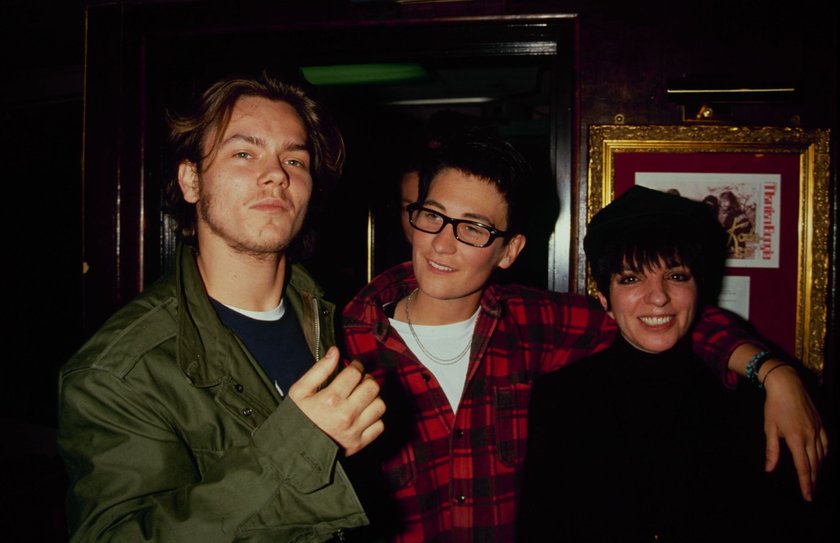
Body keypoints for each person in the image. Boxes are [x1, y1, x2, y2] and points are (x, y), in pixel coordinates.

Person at [341, 135, 826, 542]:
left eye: (474, 228)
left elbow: (662, 319)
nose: (443, 243)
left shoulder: (534, 324)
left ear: (509, 250)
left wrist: (773, 371)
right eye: (433, 216)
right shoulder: (342, 343)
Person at [57, 73, 386, 542]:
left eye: (294, 159)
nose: (277, 174)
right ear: (191, 180)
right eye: (244, 153)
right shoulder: (119, 371)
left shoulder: (324, 316)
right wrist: (304, 444)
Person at [518, 186, 824, 542]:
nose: (659, 296)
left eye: (677, 276)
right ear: (604, 298)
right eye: (631, 278)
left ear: (699, 288)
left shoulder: (754, 398)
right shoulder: (559, 401)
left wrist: (778, 375)